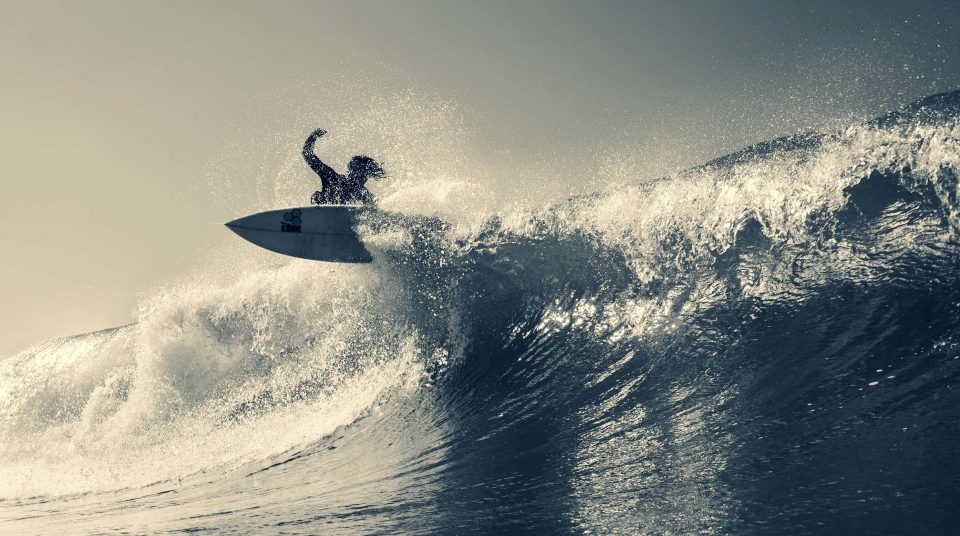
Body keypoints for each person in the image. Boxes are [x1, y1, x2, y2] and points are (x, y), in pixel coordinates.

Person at [302, 128, 385, 206]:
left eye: (364, 174)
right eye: (358, 171)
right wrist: (312, 137)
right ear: (350, 170)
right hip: (323, 216)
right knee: (317, 196)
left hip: (343, 220)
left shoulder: (365, 195)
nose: (361, 177)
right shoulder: (332, 178)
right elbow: (308, 155)